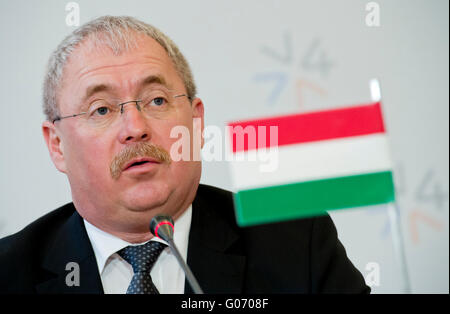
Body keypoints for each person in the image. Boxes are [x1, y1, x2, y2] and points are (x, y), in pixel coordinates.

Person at [0, 16, 369, 294]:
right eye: (101, 109)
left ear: (196, 122)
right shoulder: (10, 272)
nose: (135, 127)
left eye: (157, 100)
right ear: (57, 145)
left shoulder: (295, 245)